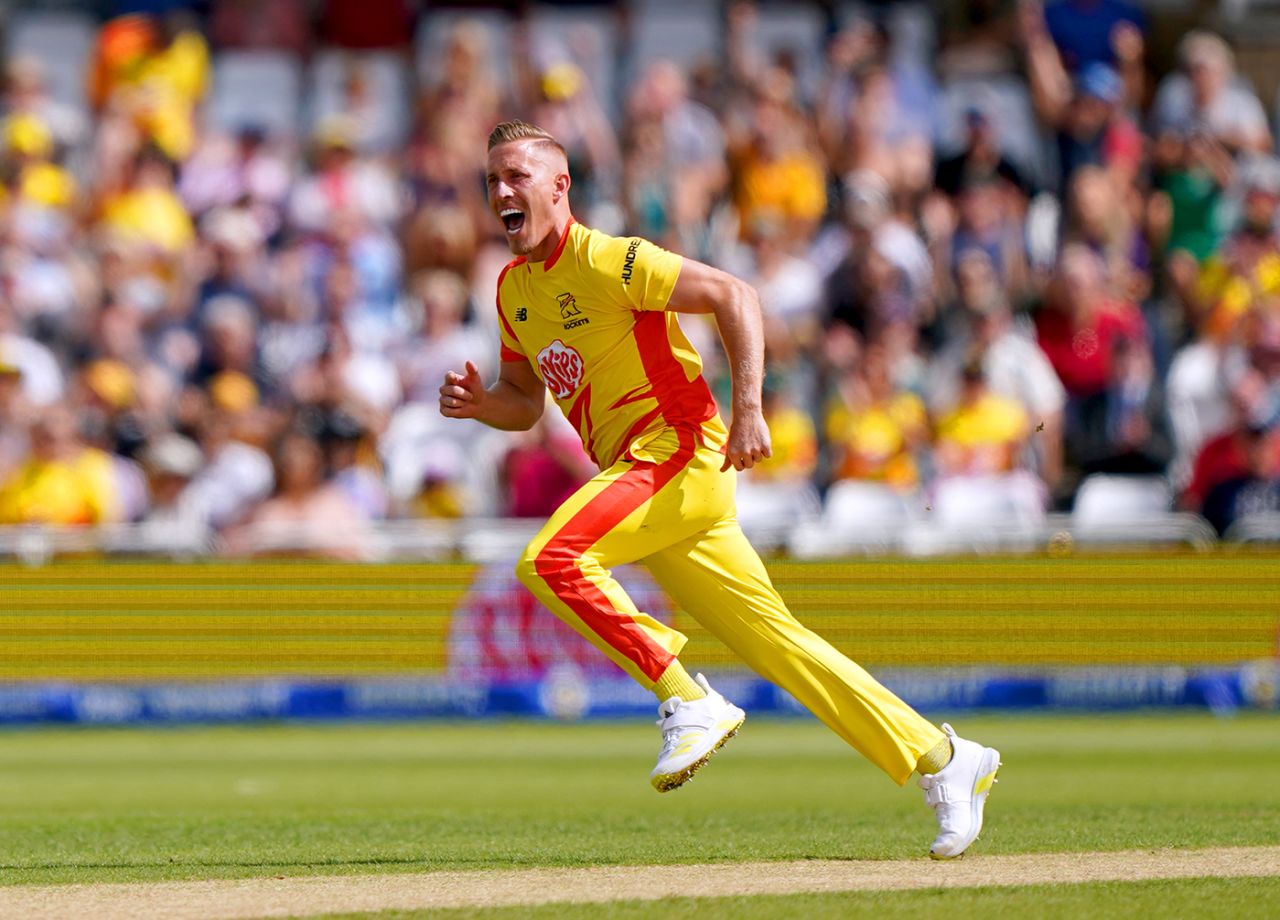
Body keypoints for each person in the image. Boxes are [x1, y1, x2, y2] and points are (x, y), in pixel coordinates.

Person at [438, 120, 1001, 859]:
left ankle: (687, 696)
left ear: (559, 185)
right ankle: (944, 759)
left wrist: (750, 412)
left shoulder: (609, 258)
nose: (501, 191)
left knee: (551, 560)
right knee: (781, 646)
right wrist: (485, 405)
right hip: (647, 478)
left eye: (516, 175)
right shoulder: (514, 290)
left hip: (677, 449)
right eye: (492, 181)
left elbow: (735, 294)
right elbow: (525, 398)